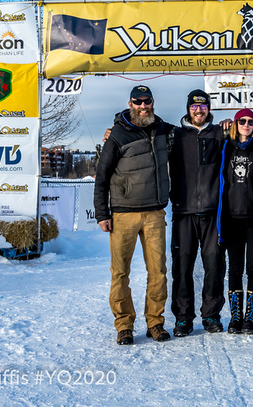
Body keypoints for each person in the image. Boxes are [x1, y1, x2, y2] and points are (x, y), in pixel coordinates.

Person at [93, 85, 173, 346]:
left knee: (158, 271)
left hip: (154, 213)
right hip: (123, 215)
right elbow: (102, 176)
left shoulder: (163, 129)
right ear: (130, 103)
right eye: (137, 102)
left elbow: (193, 131)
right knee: (120, 273)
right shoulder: (117, 134)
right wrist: (102, 214)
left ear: (152, 102)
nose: (143, 106)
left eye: (147, 101)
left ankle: (155, 322)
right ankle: (124, 325)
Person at [169, 89, 228, 337]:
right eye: (194, 106)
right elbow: (141, 126)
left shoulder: (221, 133)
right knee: (182, 268)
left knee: (214, 265)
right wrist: (113, 128)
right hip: (184, 212)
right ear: (188, 109)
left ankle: (211, 314)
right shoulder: (175, 134)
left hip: (213, 213)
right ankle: (183, 318)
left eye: (203, 106)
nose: (199, 110)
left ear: (209, 109)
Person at [216, 108, 253, 334]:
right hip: (231, 218)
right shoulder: (225, 146)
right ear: (235, 124)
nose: (246, 125)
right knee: (234, 269)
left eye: (251, 121)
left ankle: (251, 317)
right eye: (242, 121)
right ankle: (235, 317)